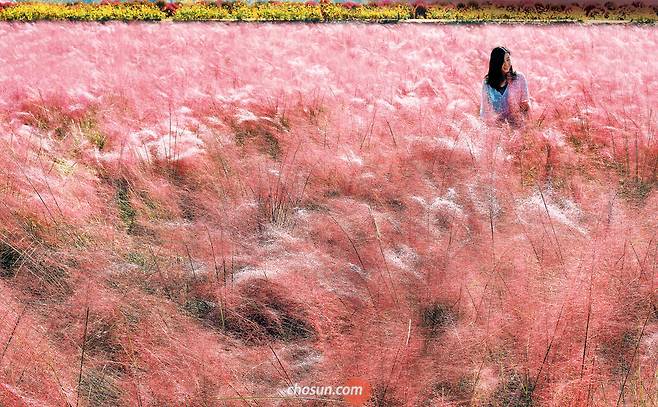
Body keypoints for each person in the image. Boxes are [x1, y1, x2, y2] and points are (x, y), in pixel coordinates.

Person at [480, 46, 530, 126]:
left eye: (508, 59)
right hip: (497, 130)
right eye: (502, 61)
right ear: (496, 63)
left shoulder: (519, 78)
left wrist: (527, 129)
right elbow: (485, 111)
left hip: (518, 129)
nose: (507, 64)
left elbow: (525, 106)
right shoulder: (487, 83)